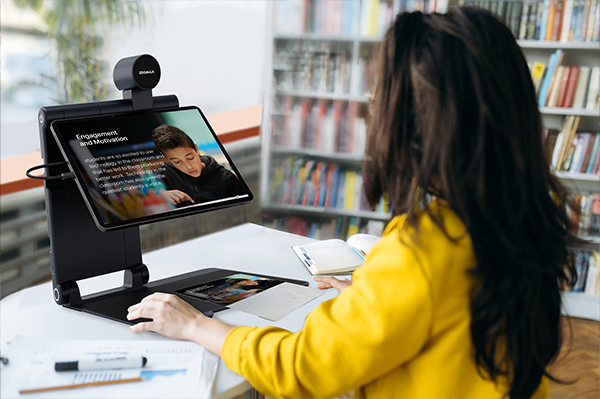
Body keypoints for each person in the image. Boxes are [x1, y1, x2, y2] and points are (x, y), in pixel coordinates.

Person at [127, 7, 580, 399]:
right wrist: (377, 303)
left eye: (380, 94)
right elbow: (446, 315)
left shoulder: (425, 247)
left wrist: (197, 327)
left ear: (417, 123)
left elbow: (304, 368)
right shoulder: (518, 213)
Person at [151, 124, 246, 207]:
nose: (188, 167)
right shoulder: (165, 173)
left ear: (196, 149)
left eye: (190, 158)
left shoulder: (226, 177)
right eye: (177, 162)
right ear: (167, 158)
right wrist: (161, 194)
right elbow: (144, 194)